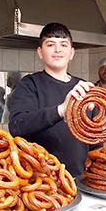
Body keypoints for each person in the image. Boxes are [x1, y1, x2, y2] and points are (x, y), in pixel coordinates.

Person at [9, 23, 95, 177]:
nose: (58, 50)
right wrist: (61, 110)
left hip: (80, 179)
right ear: (40, 52)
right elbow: (17, 126)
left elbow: (94, 139)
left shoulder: (83, 88)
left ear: (72, 52)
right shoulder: (29, 84)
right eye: (50, 44)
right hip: (40, 182)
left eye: (63, 44)